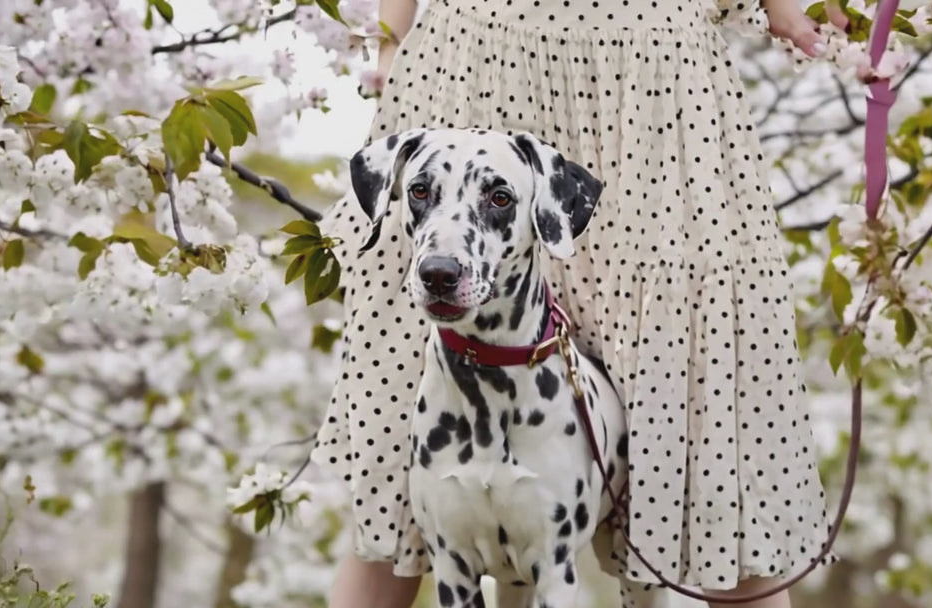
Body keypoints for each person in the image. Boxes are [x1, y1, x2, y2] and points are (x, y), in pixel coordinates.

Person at [311, 0, 839, 606]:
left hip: (656, 90)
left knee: (711, 460)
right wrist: (391, 51)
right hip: (473, 66)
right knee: (404, 496)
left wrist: (784, 7)